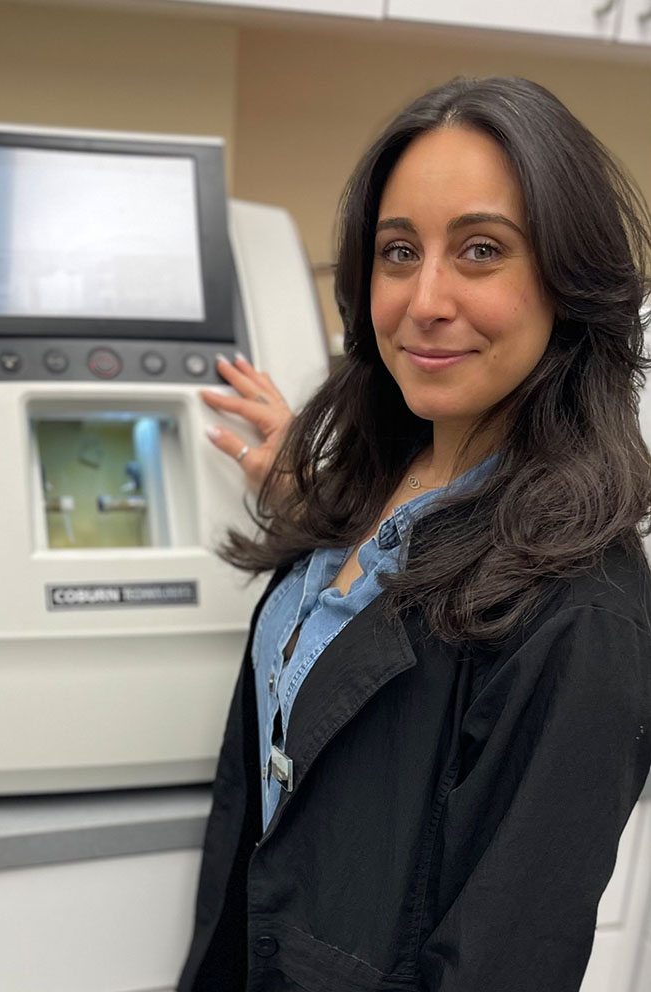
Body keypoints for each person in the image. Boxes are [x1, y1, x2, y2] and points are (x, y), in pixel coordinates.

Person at [180, 76, 651, 992]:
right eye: (399, 252)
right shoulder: (377, 490)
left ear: (568, 276)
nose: (424, 299)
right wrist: (316, 500)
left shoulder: (585, 617)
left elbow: (500, 962)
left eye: (481, 250)